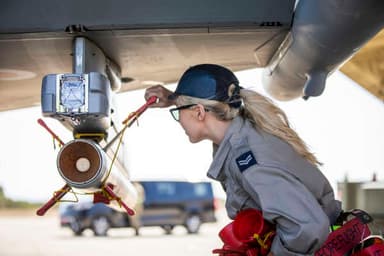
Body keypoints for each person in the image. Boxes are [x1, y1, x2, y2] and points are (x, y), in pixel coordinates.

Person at [144, 64, 342, 255]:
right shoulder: (241, 138)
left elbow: (307, 228)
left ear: (199, 112)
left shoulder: (250, 158)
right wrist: (173, 98)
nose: (179, 120)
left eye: (178, 112)